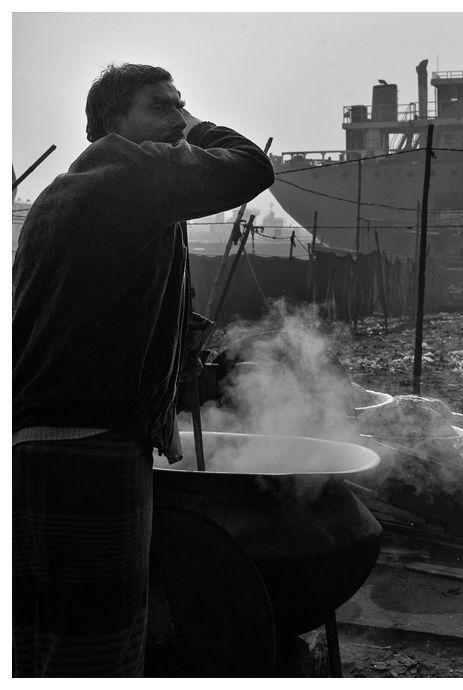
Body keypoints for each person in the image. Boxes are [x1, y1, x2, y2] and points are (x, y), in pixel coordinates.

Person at [12, 63, 275, 677]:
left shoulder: (63, 191)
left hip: (45, 436)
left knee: (47, 632)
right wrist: (197, 127)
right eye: (160, 106)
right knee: (101, 639)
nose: (179, 118)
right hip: (93, 440)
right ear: (112, 125)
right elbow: (250, 165)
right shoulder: (131, 171)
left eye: (182, 105)